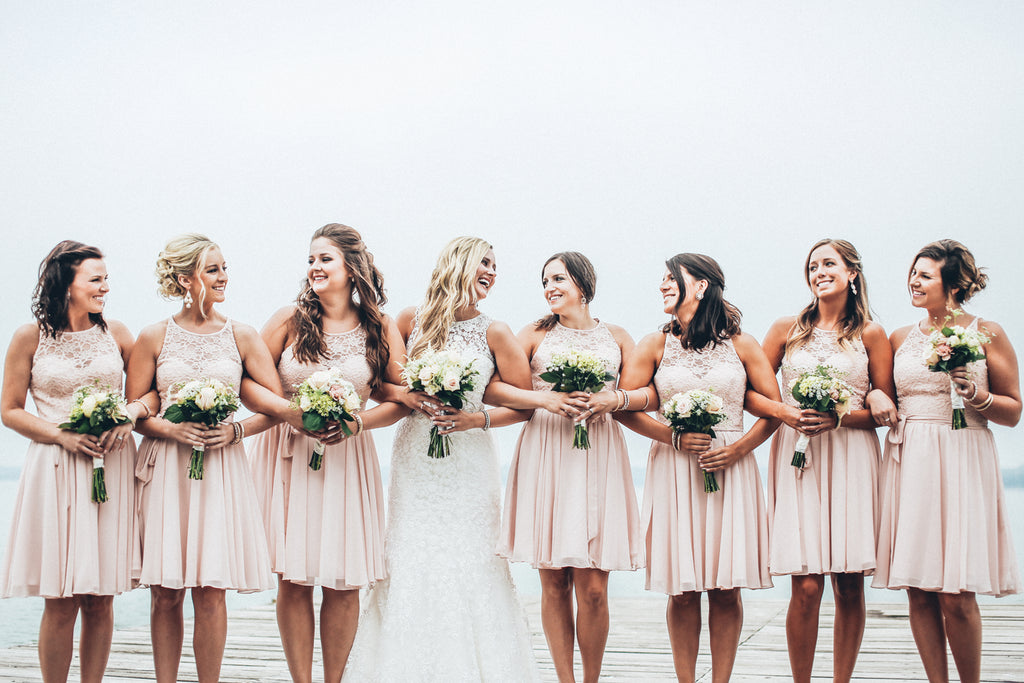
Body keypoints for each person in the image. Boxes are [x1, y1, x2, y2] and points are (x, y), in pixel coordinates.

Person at [345, 236, 540, 681]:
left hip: (469, 459)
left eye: (495, 265)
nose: (491, 271)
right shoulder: (411, 320)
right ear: (458, 264)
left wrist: (477, 420)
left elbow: (525, 403)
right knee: (411, 554)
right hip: (417, 455)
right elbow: (385, 386)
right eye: (483, 263)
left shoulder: (496, 331)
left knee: (472, 557)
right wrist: (412, 396)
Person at [244, 224, 407, 683]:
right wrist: (289, 412)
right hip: (288, 456)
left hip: (346, 461)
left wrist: (357, 422)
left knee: (345, 579)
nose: (315, 267)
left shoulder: (379, 325)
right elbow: (248, 384)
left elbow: (398, 399)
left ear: (352, 267)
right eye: (311, 259)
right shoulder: (287, 320)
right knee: (292, 579)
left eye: (325, 259)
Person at [126, 233, 282, 683]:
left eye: (224, 268)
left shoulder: (242, 335)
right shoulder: (153, 336)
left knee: (211, 592)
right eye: (212, 269)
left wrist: (236, 430)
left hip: (220, 470)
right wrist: (171, 429)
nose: (223, 277)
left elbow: (274, 409)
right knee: (166, 593)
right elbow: (135, 410)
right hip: (167, 469)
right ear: (184, 278)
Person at [616, 253, 778, 683]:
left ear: (702, 285)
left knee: (726, 589)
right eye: (662, 279)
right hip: (674, 467)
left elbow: (772, 409)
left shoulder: (742, 344)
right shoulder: (654, 344)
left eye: (673, 278)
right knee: (683, 591)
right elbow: (623, 407)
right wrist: (671, 435)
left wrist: (739, 449)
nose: (664, 285)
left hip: (731, 466)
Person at [0, 241, 154, 683]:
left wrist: (131, 414)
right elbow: (10, 410)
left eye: (106, 278)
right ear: (67, 285)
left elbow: (149, 392)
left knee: (100, 596)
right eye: (96, 279)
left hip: (112, 468)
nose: (106, 287)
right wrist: (61, 435)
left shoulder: (118, 334)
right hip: (55, 470)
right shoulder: (29, 338)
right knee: (61, 598)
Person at [872, 239, 1020, 683]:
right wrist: (878, 394)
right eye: (913, 274)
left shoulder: (986, 331)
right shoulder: (898, 337)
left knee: (956, 592)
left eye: (925, 275)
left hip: (962, 455)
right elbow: (879, 392)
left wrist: (977, 394)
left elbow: (1013, 411)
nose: (914, 282)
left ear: (952, 284)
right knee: (919, 588)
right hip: (909, 456)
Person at [497, 251, 643, 683]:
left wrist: (611, 400)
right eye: (545, 281)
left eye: (558, 278)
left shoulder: (617, 336)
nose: (550, 287)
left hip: (599, 451)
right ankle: (564, 679)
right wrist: (546, 399)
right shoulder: (533, 334)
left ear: (583, 282)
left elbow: (642, 392)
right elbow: (500, 388)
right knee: (554, 582)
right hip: (547, 450)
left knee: (594, 587)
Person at [756, 238, 894, 682]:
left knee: (850, 582)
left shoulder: (870, 333)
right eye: (813, 266)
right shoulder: (785, 330)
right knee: (807, 583)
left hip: (851, 457)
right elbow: (752, 392)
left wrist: (840, 417)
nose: (819, 271)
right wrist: (785, 412)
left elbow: (884, 410)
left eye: (829, 263)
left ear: (852, 273)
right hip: (799, 460)